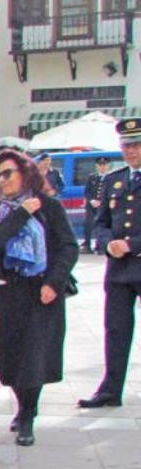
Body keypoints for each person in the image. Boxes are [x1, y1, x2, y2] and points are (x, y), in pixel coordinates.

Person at [0, 149, 78, 445]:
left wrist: (54, 282)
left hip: (42, 291)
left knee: (34, 355)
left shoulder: (50, 206)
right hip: (9, 290)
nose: (3, 179)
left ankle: (28, 414)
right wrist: (22, 211)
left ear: (25, 173)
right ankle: (22, 402)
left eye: (8, 172)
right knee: (7, 353)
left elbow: (68, 246)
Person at [81, 120, 141, 409]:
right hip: (119, 269)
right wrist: (107, 243)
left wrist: (132, 244)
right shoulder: (115, 180)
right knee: (116, 330)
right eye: (126, 145)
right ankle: (110, 389)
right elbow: (101, 221)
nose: (130, 151)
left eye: (136, 145)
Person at [84, 156, 112, 253]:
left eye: (104, 165)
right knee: (89, 224)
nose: (102, 167)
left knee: (102, 226)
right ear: (97, 166)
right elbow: (87, 191)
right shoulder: (92, 177)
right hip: (92, 206)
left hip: (104, 206)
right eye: (100, 165)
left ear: (108, 165)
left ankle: (100, 246)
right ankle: (87, 245)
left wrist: (103, 202)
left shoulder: (111, 177)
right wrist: (92, 200)